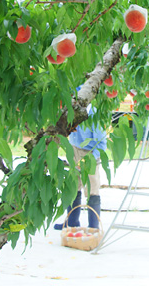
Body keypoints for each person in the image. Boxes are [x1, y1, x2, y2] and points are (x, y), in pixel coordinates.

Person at [54, 95, 107, 231]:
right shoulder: (73, 112)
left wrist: (89, 160)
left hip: (90, 153)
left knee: (91, 187)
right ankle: (72, 222)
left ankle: (93, 227)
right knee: (72, 185)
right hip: (74, 149)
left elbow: (101, 144)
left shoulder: (93, 115)